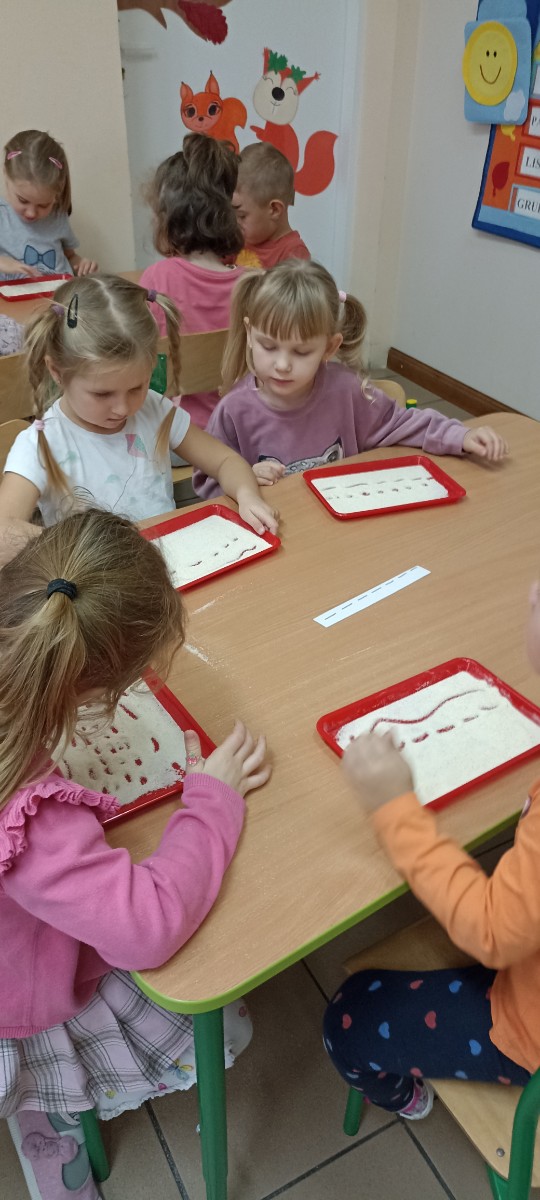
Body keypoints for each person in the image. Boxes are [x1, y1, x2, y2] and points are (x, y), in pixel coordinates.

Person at [0, 507, 270, 1200]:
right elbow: (145, 928)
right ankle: (46, 1120)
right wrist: (212, 802)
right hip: (18, 988)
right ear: (96, 693)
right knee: (221, 1020)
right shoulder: (33, 818)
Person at [322, 578, 540, 1121]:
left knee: (348, 1019)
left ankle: (404, 1097)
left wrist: (393, 809)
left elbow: (493, 931)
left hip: (527, 1025)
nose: (532, 588)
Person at [193, 260, 507, 499]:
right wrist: (245, 480)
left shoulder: (346, 390)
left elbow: (403, 424)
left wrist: (461, 436)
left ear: (330, 348)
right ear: (250, 334)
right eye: (269, 346)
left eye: (301, 352)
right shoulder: (234, 410)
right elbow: (207, 481)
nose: (283, 365)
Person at [0, 274, 278, 539]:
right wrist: (81, 546)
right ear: (57, 372)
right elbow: (3, 532)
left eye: (137, 388)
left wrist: (247, 495)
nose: (123, 408)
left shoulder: (154, 410)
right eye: (102, 394)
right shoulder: (42, 444)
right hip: (94, 570)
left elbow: (225, 460)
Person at [140, 133, 245, 429]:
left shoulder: (156, 280)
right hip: (243, 430)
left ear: (168, 218)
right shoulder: (254, 284)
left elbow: (144, 370)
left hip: (179, 435)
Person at [0, 130, 98, 280]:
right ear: (6, 174)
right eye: (23, 200)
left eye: (43, 205)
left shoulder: (57, 215)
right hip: (12, 294)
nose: (31, 213)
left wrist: (81, 264)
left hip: (59, 291)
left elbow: (70, 256)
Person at [233, 144, 310, 269]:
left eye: (242, 216)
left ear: (274, 209)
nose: (235, 223)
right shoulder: (239, 239)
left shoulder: (294, 255)